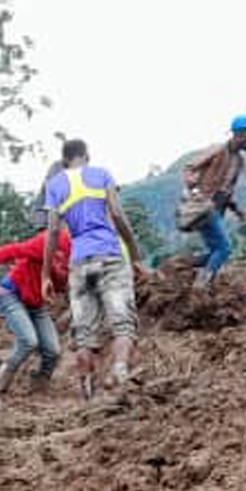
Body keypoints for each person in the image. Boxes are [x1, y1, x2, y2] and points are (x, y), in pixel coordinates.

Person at [43, 138, 143, 399]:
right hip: (109, 256)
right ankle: (120, 372)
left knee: (84, 334)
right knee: (123, 325)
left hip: (79, 263)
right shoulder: (102, 175)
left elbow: (52, 232)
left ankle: (87, 393)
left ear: (65, 161)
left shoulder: (54, 185)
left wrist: (45, 275)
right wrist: (134, 253)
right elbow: (117, 215)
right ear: (87, 156)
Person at [0, 199, 71, 410]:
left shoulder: (75, 248)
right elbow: (13, 250)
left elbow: (65, 281)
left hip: (35, 303)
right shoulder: (46, 242)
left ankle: (39, 388)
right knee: (28, 341)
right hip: (11, 295)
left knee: (52, 350)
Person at [179, 116, 246, 288]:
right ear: (240, 135)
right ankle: (202, 284)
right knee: (224, 249)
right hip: (204, 207)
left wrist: (236, 209)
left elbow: (227, 189)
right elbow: (189, 167)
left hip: (217, 209)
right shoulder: (218, 150)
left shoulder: (239, 161)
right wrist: (193, 186)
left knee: (217, 251)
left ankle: (181, 265)